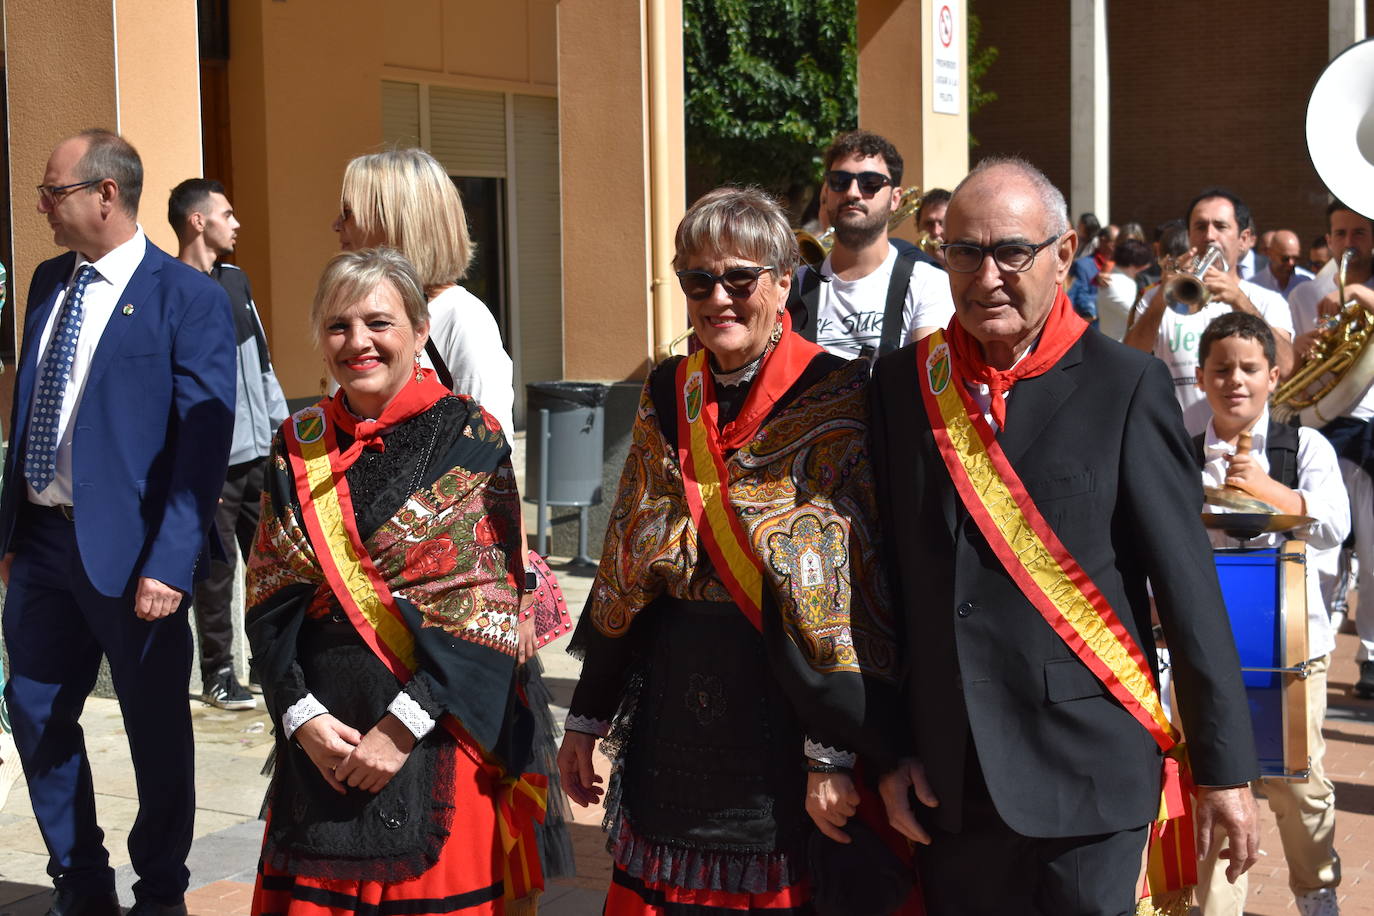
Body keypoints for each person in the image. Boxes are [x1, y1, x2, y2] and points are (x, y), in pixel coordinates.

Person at [869, 157, 1260, 915]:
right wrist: (889, 747)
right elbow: (884, 584)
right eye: (965, 252)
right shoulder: (902, 387)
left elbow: (1187, 588)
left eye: (1012, 252)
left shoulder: (1126, 386)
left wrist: (1223, 770)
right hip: (951, 772)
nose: (988, 277)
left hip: (1088, 770)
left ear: (1064, 253)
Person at [558, 187, 902, 915]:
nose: (719, 297)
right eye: (698, 280)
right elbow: (628, 560)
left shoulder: (840, 393)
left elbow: (852, 594)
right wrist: (587, 718)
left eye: (740, 279)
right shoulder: (665, 389)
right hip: (673, 701)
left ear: (783, 282)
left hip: (785, 706)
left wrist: (832, 754)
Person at [246, 248, 549, 916]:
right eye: (338, 326)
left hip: (439, 733)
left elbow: (486, 612)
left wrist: (400, 729)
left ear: (420, 331)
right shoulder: (295, 444)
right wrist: (301, 718)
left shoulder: (469, 435)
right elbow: (268, 601)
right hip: (325, 741)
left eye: (378, 323)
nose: (358, 342)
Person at [0, 129, 236, 916]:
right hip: (40, 544)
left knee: (155, 729)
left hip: (134, 559)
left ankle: (161, 889)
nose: (40, 205)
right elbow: (34, 405)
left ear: (107, 193)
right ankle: (82, 880)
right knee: (34, 708)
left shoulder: (189, 298)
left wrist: (171, 563)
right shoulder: (45, 283)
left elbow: (202, 446)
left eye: (52, 190)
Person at [1189, 312, 1347, 916]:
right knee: (1218, 780)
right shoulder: (1180, 450)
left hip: (1291, 642)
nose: (1235, 380)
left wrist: (1267, 489)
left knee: (1296, 783)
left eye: (1249, 368)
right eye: (1221, 369)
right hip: (1207, 646)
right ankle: (1216, 906)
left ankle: (1315, 890)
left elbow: (1336, 524)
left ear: (1274, 376)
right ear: (1201, 377)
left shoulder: (1304, 446)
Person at [169, 177, 288, 710]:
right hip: (210, 465)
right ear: (198, 221)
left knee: (270, 565)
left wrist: (284, 437)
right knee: (215, 578)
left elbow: (262, 364)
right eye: (227, 213)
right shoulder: (169, 287)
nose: (236, 223)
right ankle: (219, 674)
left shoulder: (236, 281)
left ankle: (269, 665)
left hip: (259, 455)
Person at [333, 148, 514, 436]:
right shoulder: (352, 313)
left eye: (348, 213)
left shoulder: (464, 319)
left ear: (392, 222)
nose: (336, 225)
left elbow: (489, 451)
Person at [1289, 201, 1374, 699]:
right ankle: (1313, 648)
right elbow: (1297, 365)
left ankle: (1371, 655)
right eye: (1340, 233)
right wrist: (1307, 345)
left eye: (1359, 232)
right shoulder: (1307, 292)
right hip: (1327, 428)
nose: (1349, 243)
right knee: (1324, 548)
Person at [1124, 188, 1295, 434]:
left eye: (1221, 226)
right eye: (1200, 227)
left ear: (1244, 239)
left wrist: (1240, 301)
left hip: (1246, 448)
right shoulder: (1159, 297)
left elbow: (1287, 368)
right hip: (1175, 444)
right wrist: (1164, 295)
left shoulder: (1268, 300)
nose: (1209, 236)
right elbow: (1129, 361)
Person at [789, 130, 953, 360]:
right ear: (826, 192)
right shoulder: (793, 285)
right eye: (839, 181)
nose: (853, 192)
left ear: (896, 199)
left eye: (871, 183)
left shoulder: (927, 284)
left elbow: (928, 379)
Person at [1096, 237, 1151, 340]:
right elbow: (1136, 316)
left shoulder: (1126, 281)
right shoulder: (1110, 283)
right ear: (1136, 265)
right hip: (1115, 349)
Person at [1067, 224, 1117, 321]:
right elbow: (1080, 298)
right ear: (1103, 240)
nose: (1118, 247)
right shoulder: (1082, 266)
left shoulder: (1122, 267)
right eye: (1115, 243)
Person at [1252, 229, 1314, 298]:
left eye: (1296, 258)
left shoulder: (1306, 283)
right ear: (1270, 254)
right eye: (1285, 258)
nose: (1291, 263)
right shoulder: (1254, 286)